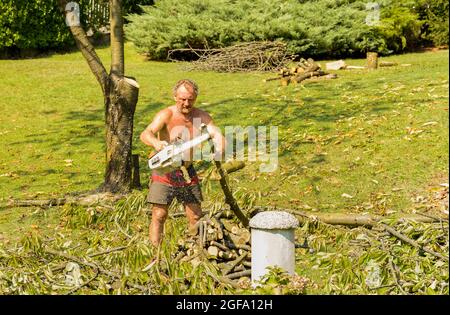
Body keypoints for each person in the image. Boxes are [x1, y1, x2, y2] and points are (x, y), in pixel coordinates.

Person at [140, 79, 225, 247]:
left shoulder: (202, 117)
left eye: (190, 99)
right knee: (159, 214)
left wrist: (220, 148)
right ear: (175, 97)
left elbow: (216, 134)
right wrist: (156, 143)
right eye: (182, 99)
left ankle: (198, 252)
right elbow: (145, 133)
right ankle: (155, 254)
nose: (186, 103)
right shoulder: (167, 115)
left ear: (195, 98)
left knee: (195, 216)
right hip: (164, 171)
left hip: (187, 172)